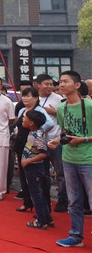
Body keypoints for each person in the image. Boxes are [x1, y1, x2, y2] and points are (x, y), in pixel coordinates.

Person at [50, 70, 92, 248]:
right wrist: (56, 141)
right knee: (73, 200)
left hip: (88, 159)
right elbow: (64, 132)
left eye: (65, 81)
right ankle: (75, 236)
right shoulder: (61, 108)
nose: (61, 84)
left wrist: (83, 139)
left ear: (77, 85)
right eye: (60, 81)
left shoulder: (89, 106)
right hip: (68, 158)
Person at [13, 87, 54, 213]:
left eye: (28, 96)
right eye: (24, 96)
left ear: (36, 98)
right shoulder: (22, 110)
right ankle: (27, 202)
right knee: (23, 174)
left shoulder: (39, 110)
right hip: (21, 145)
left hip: (35, 147)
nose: (25, 98)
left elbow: (50, 124)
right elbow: (18, 125)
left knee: (40, 178)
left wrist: (37, 133)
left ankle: (44, 209)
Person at [35, 73, 69, 212]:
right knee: (42, 172)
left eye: (51, 84)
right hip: (39, 141)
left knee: (60, 172)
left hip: (55, 140)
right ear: (38, 85)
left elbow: (66, 118)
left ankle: (62, 200)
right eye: (46, 84)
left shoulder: (59, 99)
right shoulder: (35, 99)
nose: (49, 86)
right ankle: (44, 199)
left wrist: (54, 112)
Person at [21, 109, 54, 230]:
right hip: (32, 167)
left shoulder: (37, 135)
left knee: (36, 195)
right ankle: (47, 218)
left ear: (31, 123)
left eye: (25, 118)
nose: (22, 119)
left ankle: (41, 221)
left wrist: (28, 161)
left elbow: (43, 154)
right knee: (38, 194)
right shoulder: (33, 132)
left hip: (34, 168)